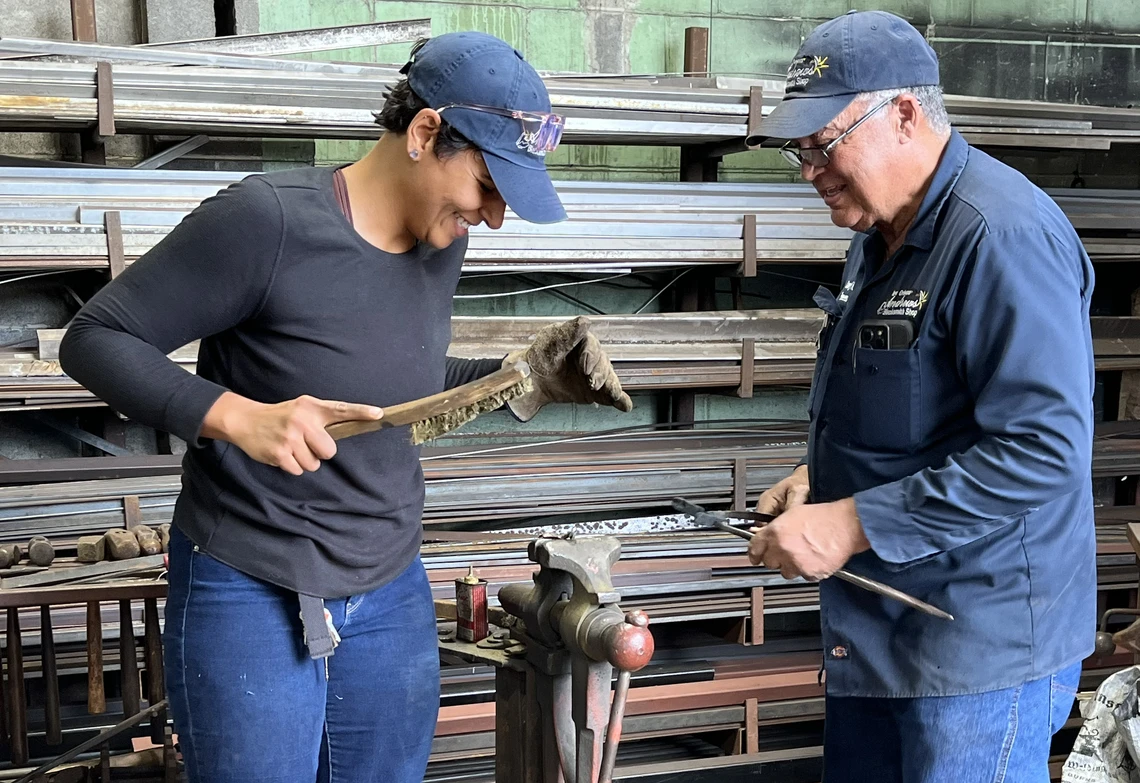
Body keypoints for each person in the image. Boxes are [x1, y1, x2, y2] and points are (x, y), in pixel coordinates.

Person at [59, 32, 632, 783]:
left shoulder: (440, 240)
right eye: (489, 187)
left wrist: (515, 379)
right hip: (251, 581)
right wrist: (238, 415)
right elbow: (96, 339)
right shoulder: (266, 222)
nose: (492, 217)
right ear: (427, 133)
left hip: (389, 582)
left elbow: (393, 386)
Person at [746, 11, 1096, 782]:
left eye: (824, 143)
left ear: (904, 114)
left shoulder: (1001, 237)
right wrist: (819, 483)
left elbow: (1043, 450)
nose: (811, 170)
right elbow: (916, 406)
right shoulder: (880, 237)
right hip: (883, 632)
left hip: (977, 650)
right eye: (799, 149)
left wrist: (853, 519)